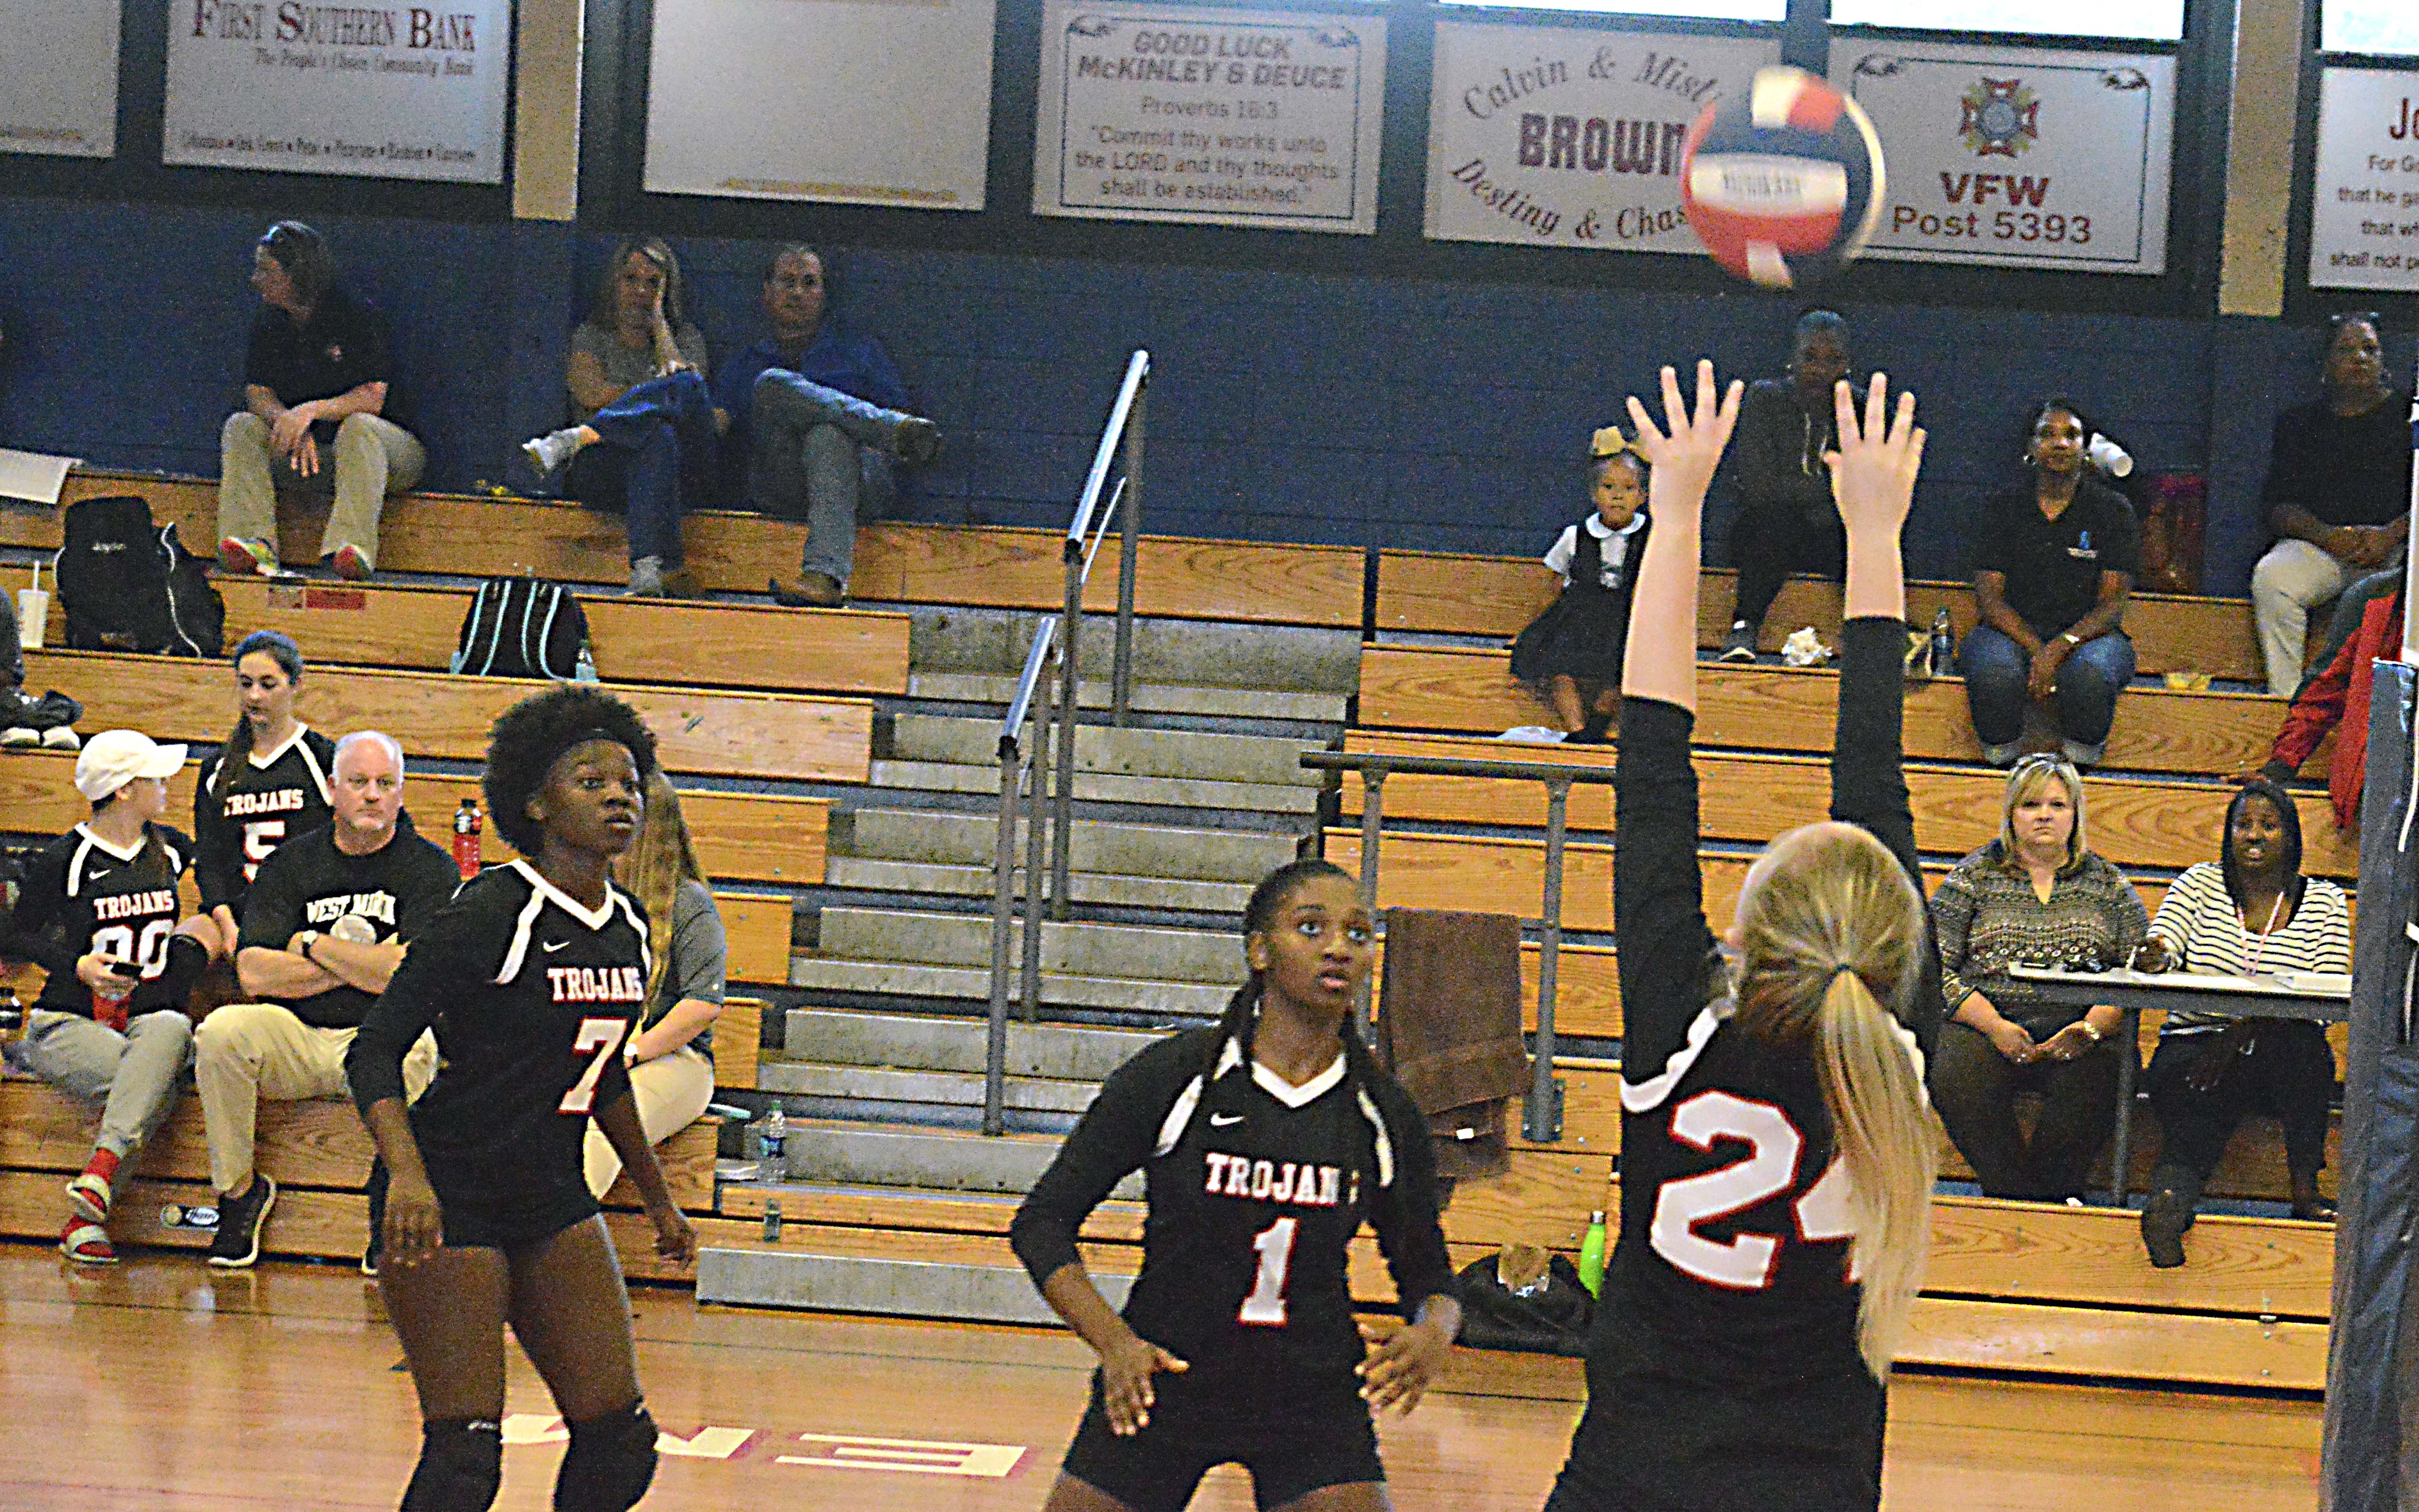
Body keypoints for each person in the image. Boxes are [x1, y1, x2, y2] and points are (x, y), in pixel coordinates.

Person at [1542, 365, 1939, 1512]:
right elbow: (1873, 766)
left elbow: (1650, 764)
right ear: (1895, 936)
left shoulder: (1684, 1038)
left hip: (1635, 1475)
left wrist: (1675, 514)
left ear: (1746, 926)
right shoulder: (1898, 1044)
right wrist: (1877, 533)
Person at [1008, 857, 1459, 1512]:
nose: (1339, 946)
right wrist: (1115, 1342)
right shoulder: (1177, 1077)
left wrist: (1433, 1332)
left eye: (1358, 934)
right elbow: (1042, 1223)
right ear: (1260, 951)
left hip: (1311, 1396)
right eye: (1312, 927)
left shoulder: (1382, 1110)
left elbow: (1430, 1275)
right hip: (1166, 1377)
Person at [345, 685, 695, 1512]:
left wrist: (658, 1198)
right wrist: (408, 1176)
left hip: (550, 1194)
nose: (618, 797)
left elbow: (605, 1071)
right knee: (465, 1461)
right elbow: (374, 1050)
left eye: (630, 783)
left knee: (620, 1443)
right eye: (591, 782)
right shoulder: (493, 910)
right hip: (451, 1192)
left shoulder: (629, 926)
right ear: (536, 803)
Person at [194, 730, 457, 1271]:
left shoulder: (431, 867)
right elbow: (254, 971)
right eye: (359, 782)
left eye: (385, 783)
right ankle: (239, 1193)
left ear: (401, 793)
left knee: (421, 1048)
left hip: (380, 1042)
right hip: (297, 1036)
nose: (372, 794)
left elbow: (411, 977)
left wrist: (311, 944)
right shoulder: (291, 863)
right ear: (333, 789)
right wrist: (366, 963)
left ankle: (390, 1191)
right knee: (220, 1033)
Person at [0, 731, 224, 1264]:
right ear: (124, 789)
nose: (166, 786)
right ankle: (87, 1210)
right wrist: (76, 964)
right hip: (69, 1021)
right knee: (155, 1082)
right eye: (155, 777)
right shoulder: (66, 857)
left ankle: (96, 1186)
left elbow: (221, 881)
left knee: (173, 1028)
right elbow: (13, 935)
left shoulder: (172, 847)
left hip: (145, 1022)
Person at [2132, 781, 2349, 1265]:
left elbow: (2325, 999)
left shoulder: (2325, 901)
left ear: (2292, 836)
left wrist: (2241, 1032)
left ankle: (2303, 1190)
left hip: (2281, 1052)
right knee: (2207, 1087)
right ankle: (2168, 1207)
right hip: (2195, 1042)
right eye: (2243, 824)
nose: (2254, 835)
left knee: (2304, 1050)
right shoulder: (2198, 884)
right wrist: (2154, 955)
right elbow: (2164, 945)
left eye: (2269, 826)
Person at [1928, 756, 2149, 1202]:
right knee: (1952, 1070)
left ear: (2075, 815)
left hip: (2082, 1029)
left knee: (2104, 1075)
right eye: (2030, 805)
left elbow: (2139, 972)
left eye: (2057, 805)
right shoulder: (1972, 877)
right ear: (2011, 814)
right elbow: (1933, 968)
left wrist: (2090, 1029)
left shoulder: (2109, 884)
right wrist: (1995, 1026)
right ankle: (2013, 1196)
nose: (2044, 815)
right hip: (1985, 1025)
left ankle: (2048, 1199)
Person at [712, 245, 943, 608]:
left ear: (824, 294)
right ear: (767, 292)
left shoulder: (859, 352)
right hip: (782, 485)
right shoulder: (745, 362)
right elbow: (713, 431)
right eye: (787, 282)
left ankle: (823, 577)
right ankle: (887, 428)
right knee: (772, 383)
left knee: (829, 436)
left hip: (860, 485)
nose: (797, 293)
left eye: (809, 283)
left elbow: (903, 429)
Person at [217, 221, 423, 582]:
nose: (255, 280)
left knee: (359, 428)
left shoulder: (355, 314)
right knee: (242, 426)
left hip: (384, 456)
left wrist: (310, 413)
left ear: (296, 275)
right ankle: (254, 542)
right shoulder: (269, 322)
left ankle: (349, 550)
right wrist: (287, 423)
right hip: (310, 458)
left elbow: (372, 398)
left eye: (266, 271)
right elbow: (258, 393)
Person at [522, 237, 715, 599]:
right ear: (614, 283)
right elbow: (590, 393)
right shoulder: (592, 337)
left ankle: (574, 438)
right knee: (660, 429)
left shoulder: (687, 339)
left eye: (653, 283)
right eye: (631, 279)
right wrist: (655, 394)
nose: (641, 291)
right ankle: (651, 568)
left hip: (678, 473)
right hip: (604, 467)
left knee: (679, 400)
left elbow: (688, 393)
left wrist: (660, 327)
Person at [1957, 399, 2141, 768]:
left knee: (2089, 676)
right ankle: (2004, 767)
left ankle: (2079, 769)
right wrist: (2038, 651)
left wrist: (2058, 648)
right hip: (2009, 634)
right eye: (2048, 434)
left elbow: (2111, 605)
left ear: (2086, 448)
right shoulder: (2003, 506)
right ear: (2031, 446)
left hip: (2090, 637)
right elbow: (1990, 600)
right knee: (1996, 674)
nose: (2060, 443)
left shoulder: (2113, 510)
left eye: (2071, 435)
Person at [2249, 312, 2411, 695]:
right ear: (2325, 364)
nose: (2360, 359)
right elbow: (2279, 507)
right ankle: (2287, 701)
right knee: (2273, 579)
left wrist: (2392, 534)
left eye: (2370, 350)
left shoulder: (2411, 418)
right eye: (2346, 350)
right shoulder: (2300, 424)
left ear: (2384, 361)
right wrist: (2328, 536)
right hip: (2325, 548)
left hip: (2398, 551)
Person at [583, 772, 724, 1200]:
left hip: (673, 1058)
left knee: (598, 1126)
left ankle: (549, 1232)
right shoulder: (591, 896)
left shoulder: (689, 903)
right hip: (593, 1050)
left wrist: (630, 1053)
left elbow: (701, 1006)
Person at [1718, 310, 1851, 663]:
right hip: (1771, 532)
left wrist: (1809, 493)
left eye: (1833, 360)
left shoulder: (1862, 406)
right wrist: (1827, 491)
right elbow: (1758, 488)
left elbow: (1867, 493)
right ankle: (1744, 626)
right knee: (1772, 521)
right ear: (1791, 360)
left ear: (1847, 365)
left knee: (1867, 531)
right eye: (1810, 358)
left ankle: (1876, 638)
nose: (1820, 370)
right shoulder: (1766, 398)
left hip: (1834, 535)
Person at [193, 631, 336, 959]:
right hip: (237, 915)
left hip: (308, 918)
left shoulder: (322, 758)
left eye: (268, 685)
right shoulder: (218, 768)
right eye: (246, 684)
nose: (254, 696)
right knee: (188, 948)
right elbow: (209, 861)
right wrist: (229, 927)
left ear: (296, 685)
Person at [1508, 427, 1650, 744]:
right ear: (1594, 494)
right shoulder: (1576, 536)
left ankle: (1602, 723)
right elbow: (1552, 586)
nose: (1617, 496)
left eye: (1628, 488)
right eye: (1609, 487)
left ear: (1642, 496)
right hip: (1580, 616)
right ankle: (1577, 730)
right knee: (1556, 667)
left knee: (1628, 671)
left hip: (1627, 618)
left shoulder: (1652, 538)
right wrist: (1528, 628)